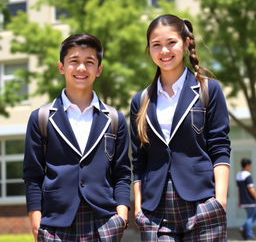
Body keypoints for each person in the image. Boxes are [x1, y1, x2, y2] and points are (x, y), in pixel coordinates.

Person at [130, 14, 231, 241]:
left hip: (202, 203)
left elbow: (220, 147)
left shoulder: (208, 90)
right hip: (155, 211)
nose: (164, 51)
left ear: (185, 43)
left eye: (171, 43)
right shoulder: (140, 100)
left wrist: (220, 201)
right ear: (149, 50)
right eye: (156, 45)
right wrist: (139, 210)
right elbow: (139, 161)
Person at [23, 33, 131, 242]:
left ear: (98, 69)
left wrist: (121, 217)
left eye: (89, 62)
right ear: (61, 67)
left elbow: (122, 173)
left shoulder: (115, 119)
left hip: (104, 223)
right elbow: (32, 175)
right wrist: (36, 221)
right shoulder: (41, 118)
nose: (81, 68)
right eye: (74, 61)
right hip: (55, 224)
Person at [236, 158, 256, 240]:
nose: (250, 167)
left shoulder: (238, 174)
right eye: (250, 165)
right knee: (250, 217)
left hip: (243, 201)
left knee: (252, 216)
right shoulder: (248, 175)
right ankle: (249, 235)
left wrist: (239, 201)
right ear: (247, 165)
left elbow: (238, 190)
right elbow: (251, 189)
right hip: (250, 200)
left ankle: (243, 227)